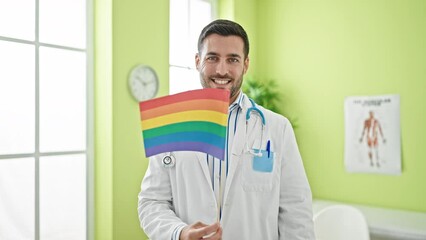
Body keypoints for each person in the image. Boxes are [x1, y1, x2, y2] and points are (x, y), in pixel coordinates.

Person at [138, 19, 315, 240]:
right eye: (212, 58)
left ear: (246, 64)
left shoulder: (277, 128)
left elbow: (296, 212)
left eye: (233, 59)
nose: (222, 70)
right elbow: (151, 202)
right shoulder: (171, 122)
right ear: (197, 61)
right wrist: (179, 232)